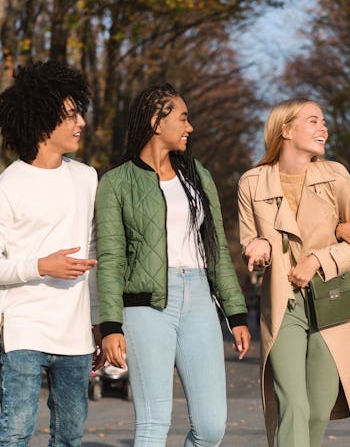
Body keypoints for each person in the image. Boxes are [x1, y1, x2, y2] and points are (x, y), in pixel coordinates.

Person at [95, 83, 251, 447]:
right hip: (145, 306)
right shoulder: (116, 183)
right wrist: (111, 324)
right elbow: (111, 259)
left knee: (212, 427)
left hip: (198, 300)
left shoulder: (198, 176)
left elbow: (215, 252)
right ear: (155, 121)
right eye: (183, 118)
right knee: (153, 423)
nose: (190, 127)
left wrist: (236, 313)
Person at [0, 60, 101, 446]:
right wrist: (41, 266)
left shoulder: (87, 178)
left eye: (80, 112)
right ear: (44, 122)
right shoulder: (3, 190)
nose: (81, 123)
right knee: (15, 434)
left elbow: (93, 255)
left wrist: (98, 322)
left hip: (76, 336)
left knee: (70, 437)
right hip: (25, 331)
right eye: (71, 114)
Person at [237, 98, 350, 447]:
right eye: (313, 121)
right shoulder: (252, 182)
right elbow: (251, 241)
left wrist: (317, 259)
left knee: (318, 407)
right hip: (283, 303)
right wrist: (258, 247)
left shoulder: (336, 175)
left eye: (324, 121)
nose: (323, 128)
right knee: (294, 404)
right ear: (285, 130)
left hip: (330, 301)